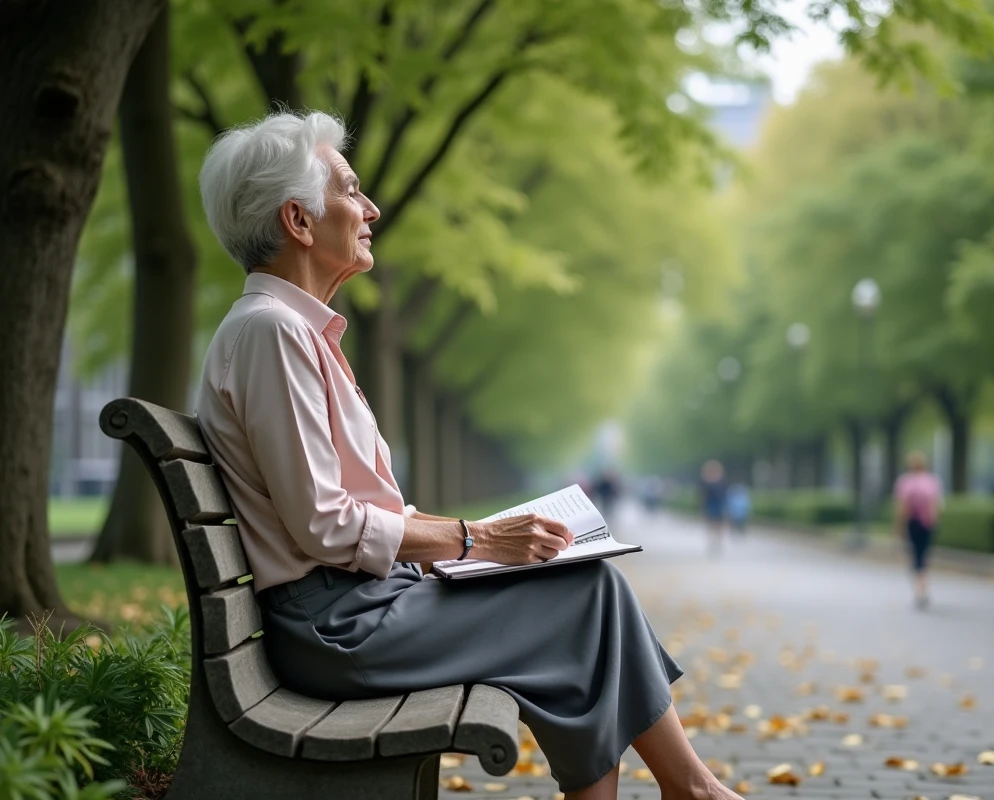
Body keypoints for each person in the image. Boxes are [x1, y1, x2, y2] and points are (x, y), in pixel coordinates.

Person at [193, 111, 739, 800]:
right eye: (352, 191)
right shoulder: (272, 333)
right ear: (299, 221)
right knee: (583, 600)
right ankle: (694, 791)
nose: (372, 209)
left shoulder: (290, 333)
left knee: (586, 590)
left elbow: (349, 511)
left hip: (360, 604)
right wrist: (477, 540)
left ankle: (691, 788)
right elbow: (324, 524)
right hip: (338, 629)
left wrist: (480, 541)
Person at [892, 451, 943, 610]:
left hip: (912, 522)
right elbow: (937, 504)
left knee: (915, 555)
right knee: (923, 554)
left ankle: (919, 589)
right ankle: (923, 586)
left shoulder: (905, 481)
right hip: (927, 523)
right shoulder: (932, 480)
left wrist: (898, 527)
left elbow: (902, 506)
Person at [699, 460, 728, 556]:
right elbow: (702, 496)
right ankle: (712, 542)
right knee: (711, 524)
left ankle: (718, 542)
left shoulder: (722, 482)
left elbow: (724, 495)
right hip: (710, 506)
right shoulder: (705, 482)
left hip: (718, 505)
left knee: (719, 525)